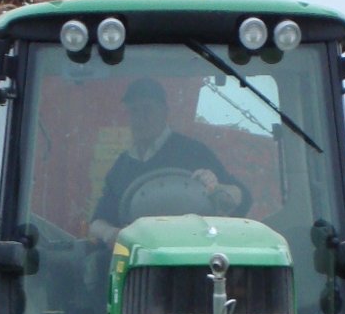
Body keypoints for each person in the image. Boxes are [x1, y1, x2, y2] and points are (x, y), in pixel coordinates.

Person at [88, 76, 249, 244]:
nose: (140, 118)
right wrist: (110, 233)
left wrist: (216, 188)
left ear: (164, 111)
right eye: (134, 111)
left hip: (193, 250)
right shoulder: (122, 165)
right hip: (137, 256)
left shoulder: (194, 152)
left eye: (147, 109)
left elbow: (242, 198)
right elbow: (98, 221)